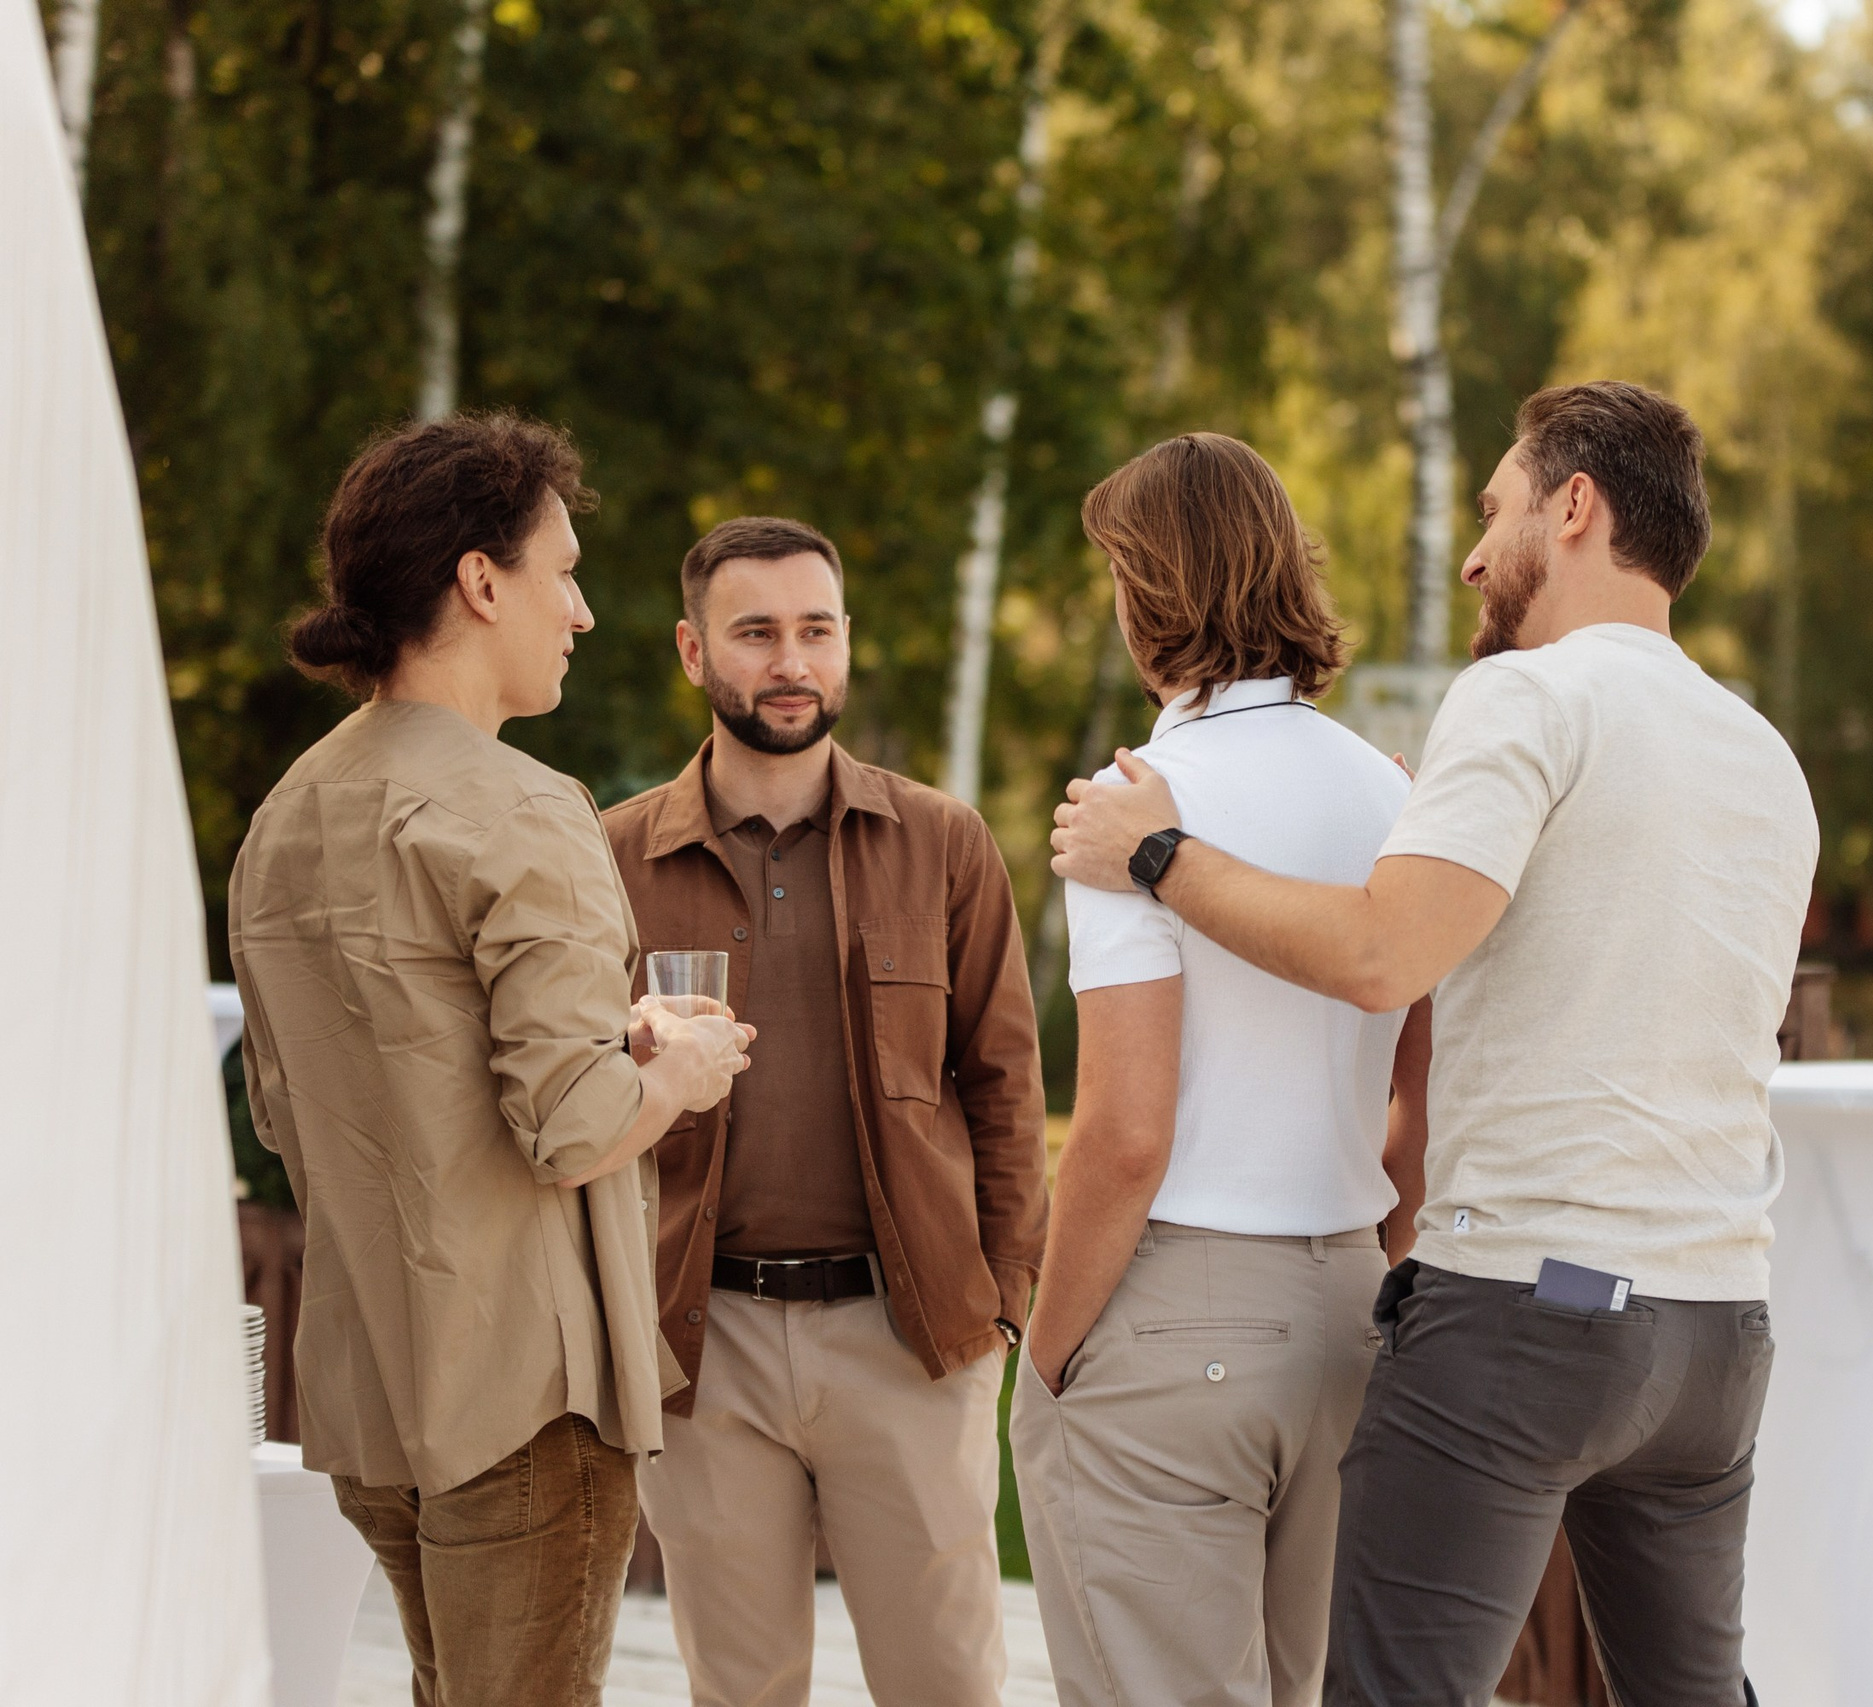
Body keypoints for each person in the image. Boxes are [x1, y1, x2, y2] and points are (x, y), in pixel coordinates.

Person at [1049, 382, 1819, 1707]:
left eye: (1495, 506)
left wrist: (1157, 852)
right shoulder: (1764, 754)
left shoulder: (1524, 701)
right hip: (1717, 1330)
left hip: (1532, 1307)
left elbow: (1379, 957)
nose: (1473, 551)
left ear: (1574, 507)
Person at [230, 412, 754, 1707]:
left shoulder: (284, 819)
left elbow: (296, 1116)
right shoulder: (525, 804)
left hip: (375, 1388)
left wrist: (602, 1050)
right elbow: (571, 1125)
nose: (579, 611)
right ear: (480, 580)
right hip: (529, 1396)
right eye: (562, 572)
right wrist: (679, 1071)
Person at [1010, 435, 1430, 1707]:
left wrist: (1047, 1353)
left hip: (1177, 1316)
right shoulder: (1394, 793)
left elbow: (1126, 1131)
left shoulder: (1131, 805)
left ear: (1148, 600)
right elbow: (1420, 1094)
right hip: (1350, 1308)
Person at [600, 516, 1049, 1707]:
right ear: (695, 654)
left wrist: (1003, 1302)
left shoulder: (943, 843)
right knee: (738, 1692)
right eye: (756, 633)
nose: (791, 661)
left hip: (906, 1338)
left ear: (846, 644)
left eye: (816, 630)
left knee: (946, 1685)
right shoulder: (610, 859)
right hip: (705, 1346)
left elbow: (1004, 1084)